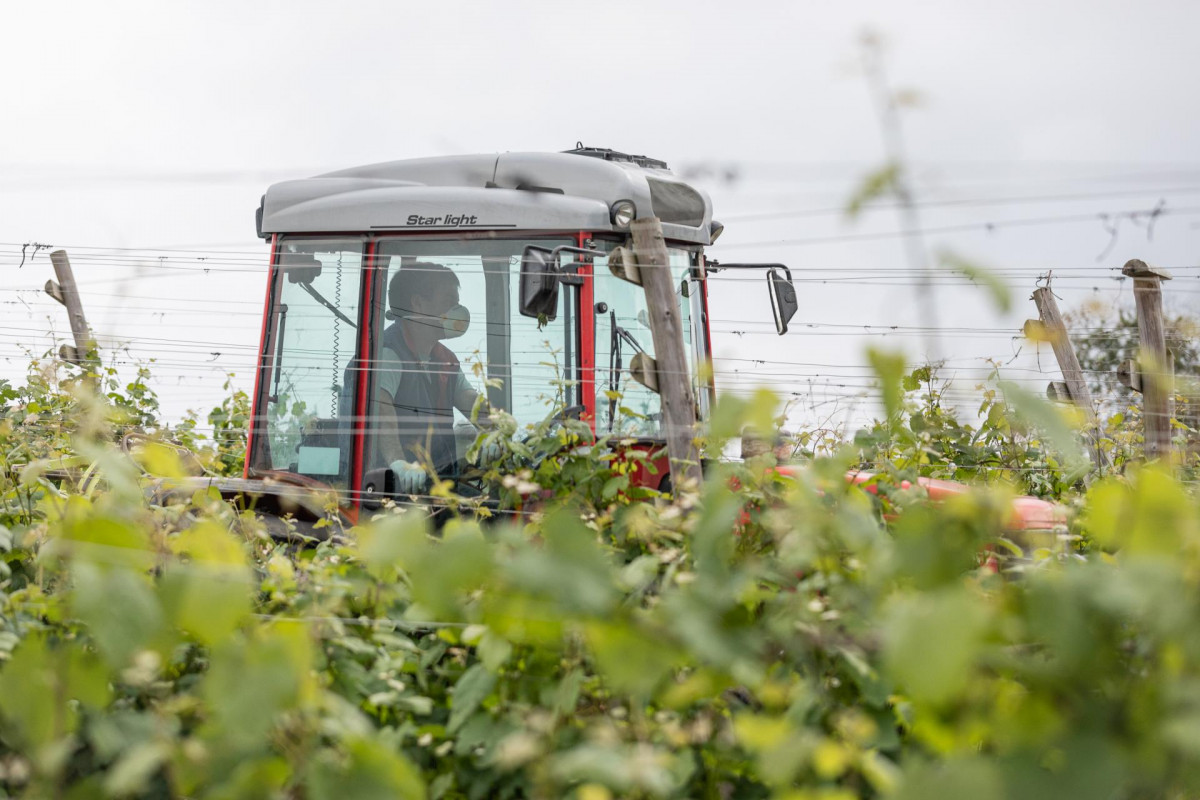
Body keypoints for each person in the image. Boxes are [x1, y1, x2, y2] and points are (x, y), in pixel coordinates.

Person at [373, 261, 486, 492]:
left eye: (457, 303)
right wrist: (398, 464)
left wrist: (498, 431)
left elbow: (469, 400)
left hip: (437, 483)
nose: (458, 311)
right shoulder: (389, 353)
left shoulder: (444, 359)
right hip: (393, 490)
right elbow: (381, 408)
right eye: (449, 302)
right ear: (418, 303)